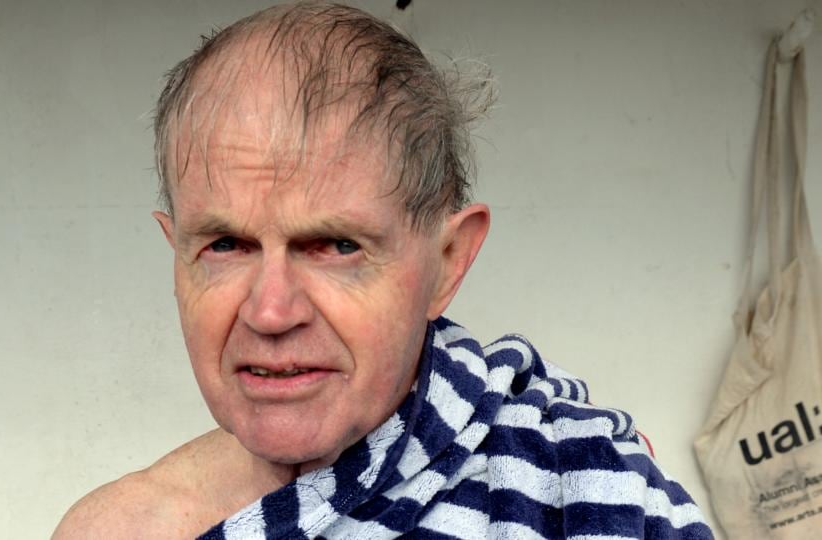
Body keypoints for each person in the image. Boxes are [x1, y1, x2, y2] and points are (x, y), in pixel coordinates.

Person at [54, 2, 713, 538]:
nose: (270, 311)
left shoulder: (580, 490)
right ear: (176, 254)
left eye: (336, 246)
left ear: (448, 261)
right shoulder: (121, 531)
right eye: (225, 245)